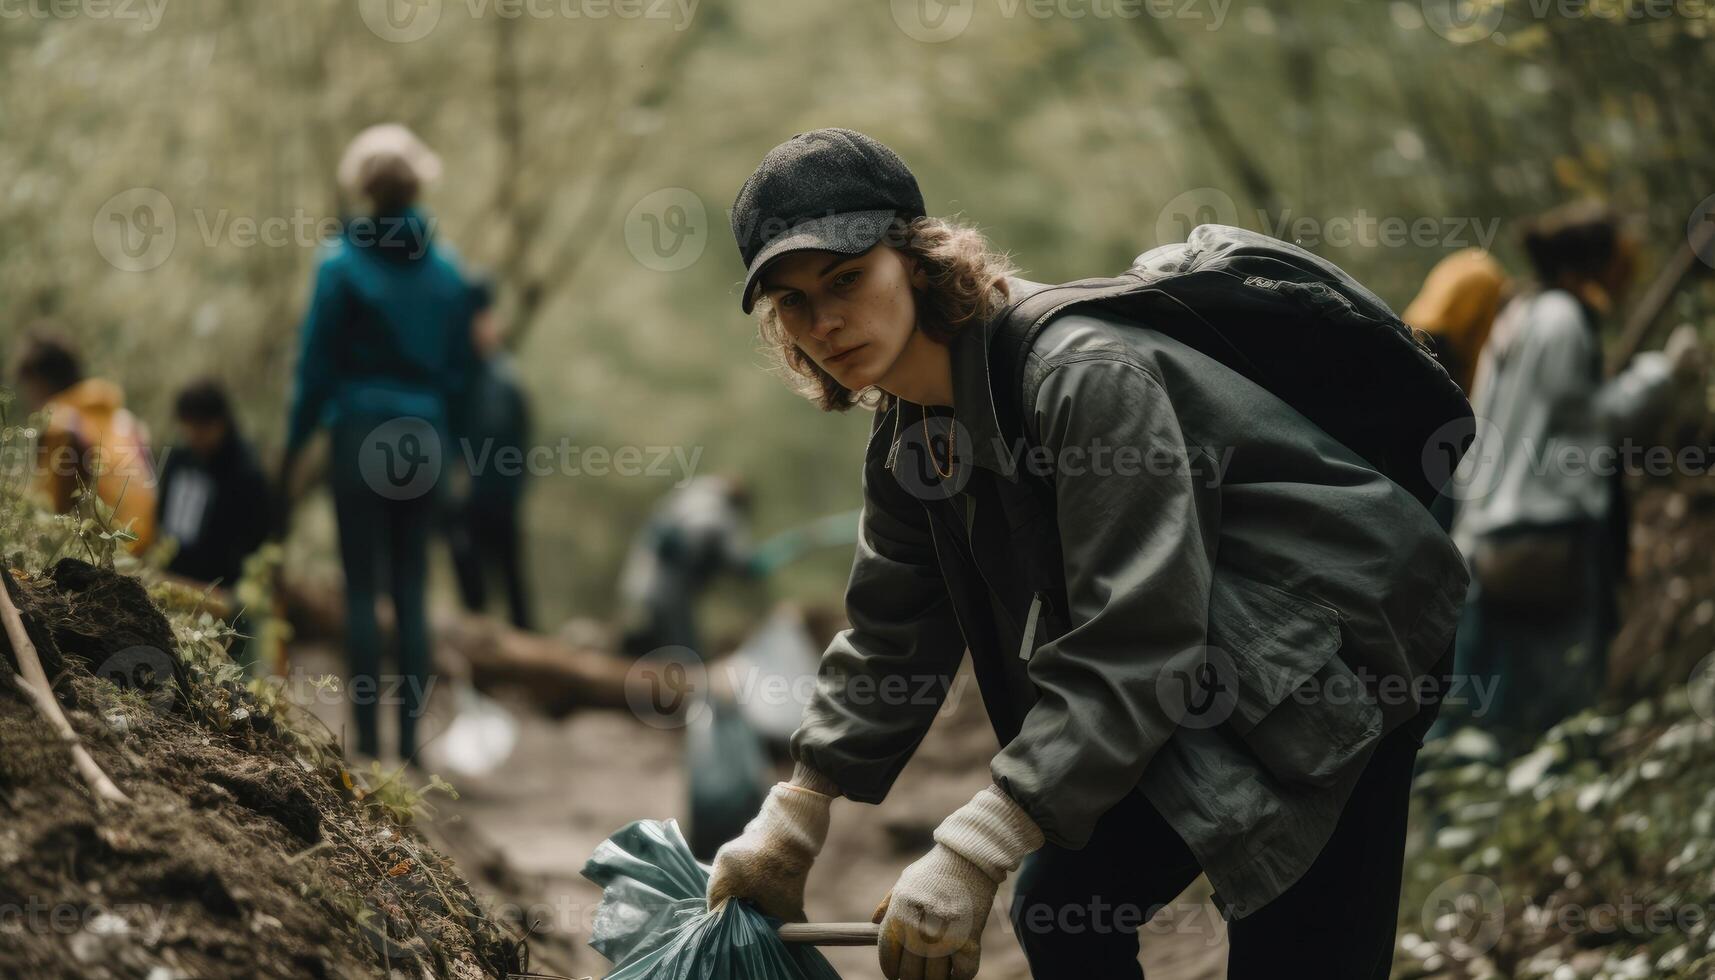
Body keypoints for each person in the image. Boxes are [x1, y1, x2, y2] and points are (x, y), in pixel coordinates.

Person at [703, 129, 1469, 980]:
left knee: (1292, 953)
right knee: (1062, 912)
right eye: (793, 303)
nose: (825, 322)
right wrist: (798, 810)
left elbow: (1135, 637)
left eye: (846, 279)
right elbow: (891, 636)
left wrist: (973, 846)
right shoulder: (906, 435)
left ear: (917, 260)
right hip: (1209, 666)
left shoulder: (1082, 377)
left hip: (1342, 655)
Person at [1438, 202, 1704, 748]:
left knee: (1478, 704)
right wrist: (1662, 375)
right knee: (1554, 706)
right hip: (1547, 540)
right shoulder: (1561, 320)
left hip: (1488, 537)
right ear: (1595, 259)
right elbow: (1586, 426)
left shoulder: (1519, 316)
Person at [282, 123, 482, 763]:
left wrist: (291, 448)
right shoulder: (449, 272)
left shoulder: (339, 264)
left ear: (362, 187)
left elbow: (314, 368)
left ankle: (365, 745)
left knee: (362, 589)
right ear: (419, 183)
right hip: (425, 435)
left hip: (359, 433)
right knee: (414, 589)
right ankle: (412, 750)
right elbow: (463, 373)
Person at [15, 330, 156, 553]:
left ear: (39, 382)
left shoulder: (61, 421)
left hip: (110, 553)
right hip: (145, 547)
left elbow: (48, 512)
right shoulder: (125, 419)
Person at [446, 277, 534, 630]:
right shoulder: (465, 376)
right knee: (475, 593)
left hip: (496, 499)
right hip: (470, 501)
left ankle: (526, 654)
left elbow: (507, 437)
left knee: (511, 584)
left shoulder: (501, 379)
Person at [616, 474, 763, 660]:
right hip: (668, 595)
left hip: (637, 583)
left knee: (644, 646)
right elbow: (742, 563)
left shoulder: (685, 499)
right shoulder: (720, 516)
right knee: (687, 656)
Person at [1401, 247, 1511, 397]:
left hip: (1413, 328)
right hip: (1441, 340)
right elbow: (1475, 345)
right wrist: (1471, 392)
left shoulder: (1474, 262)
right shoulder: (1495, 286)